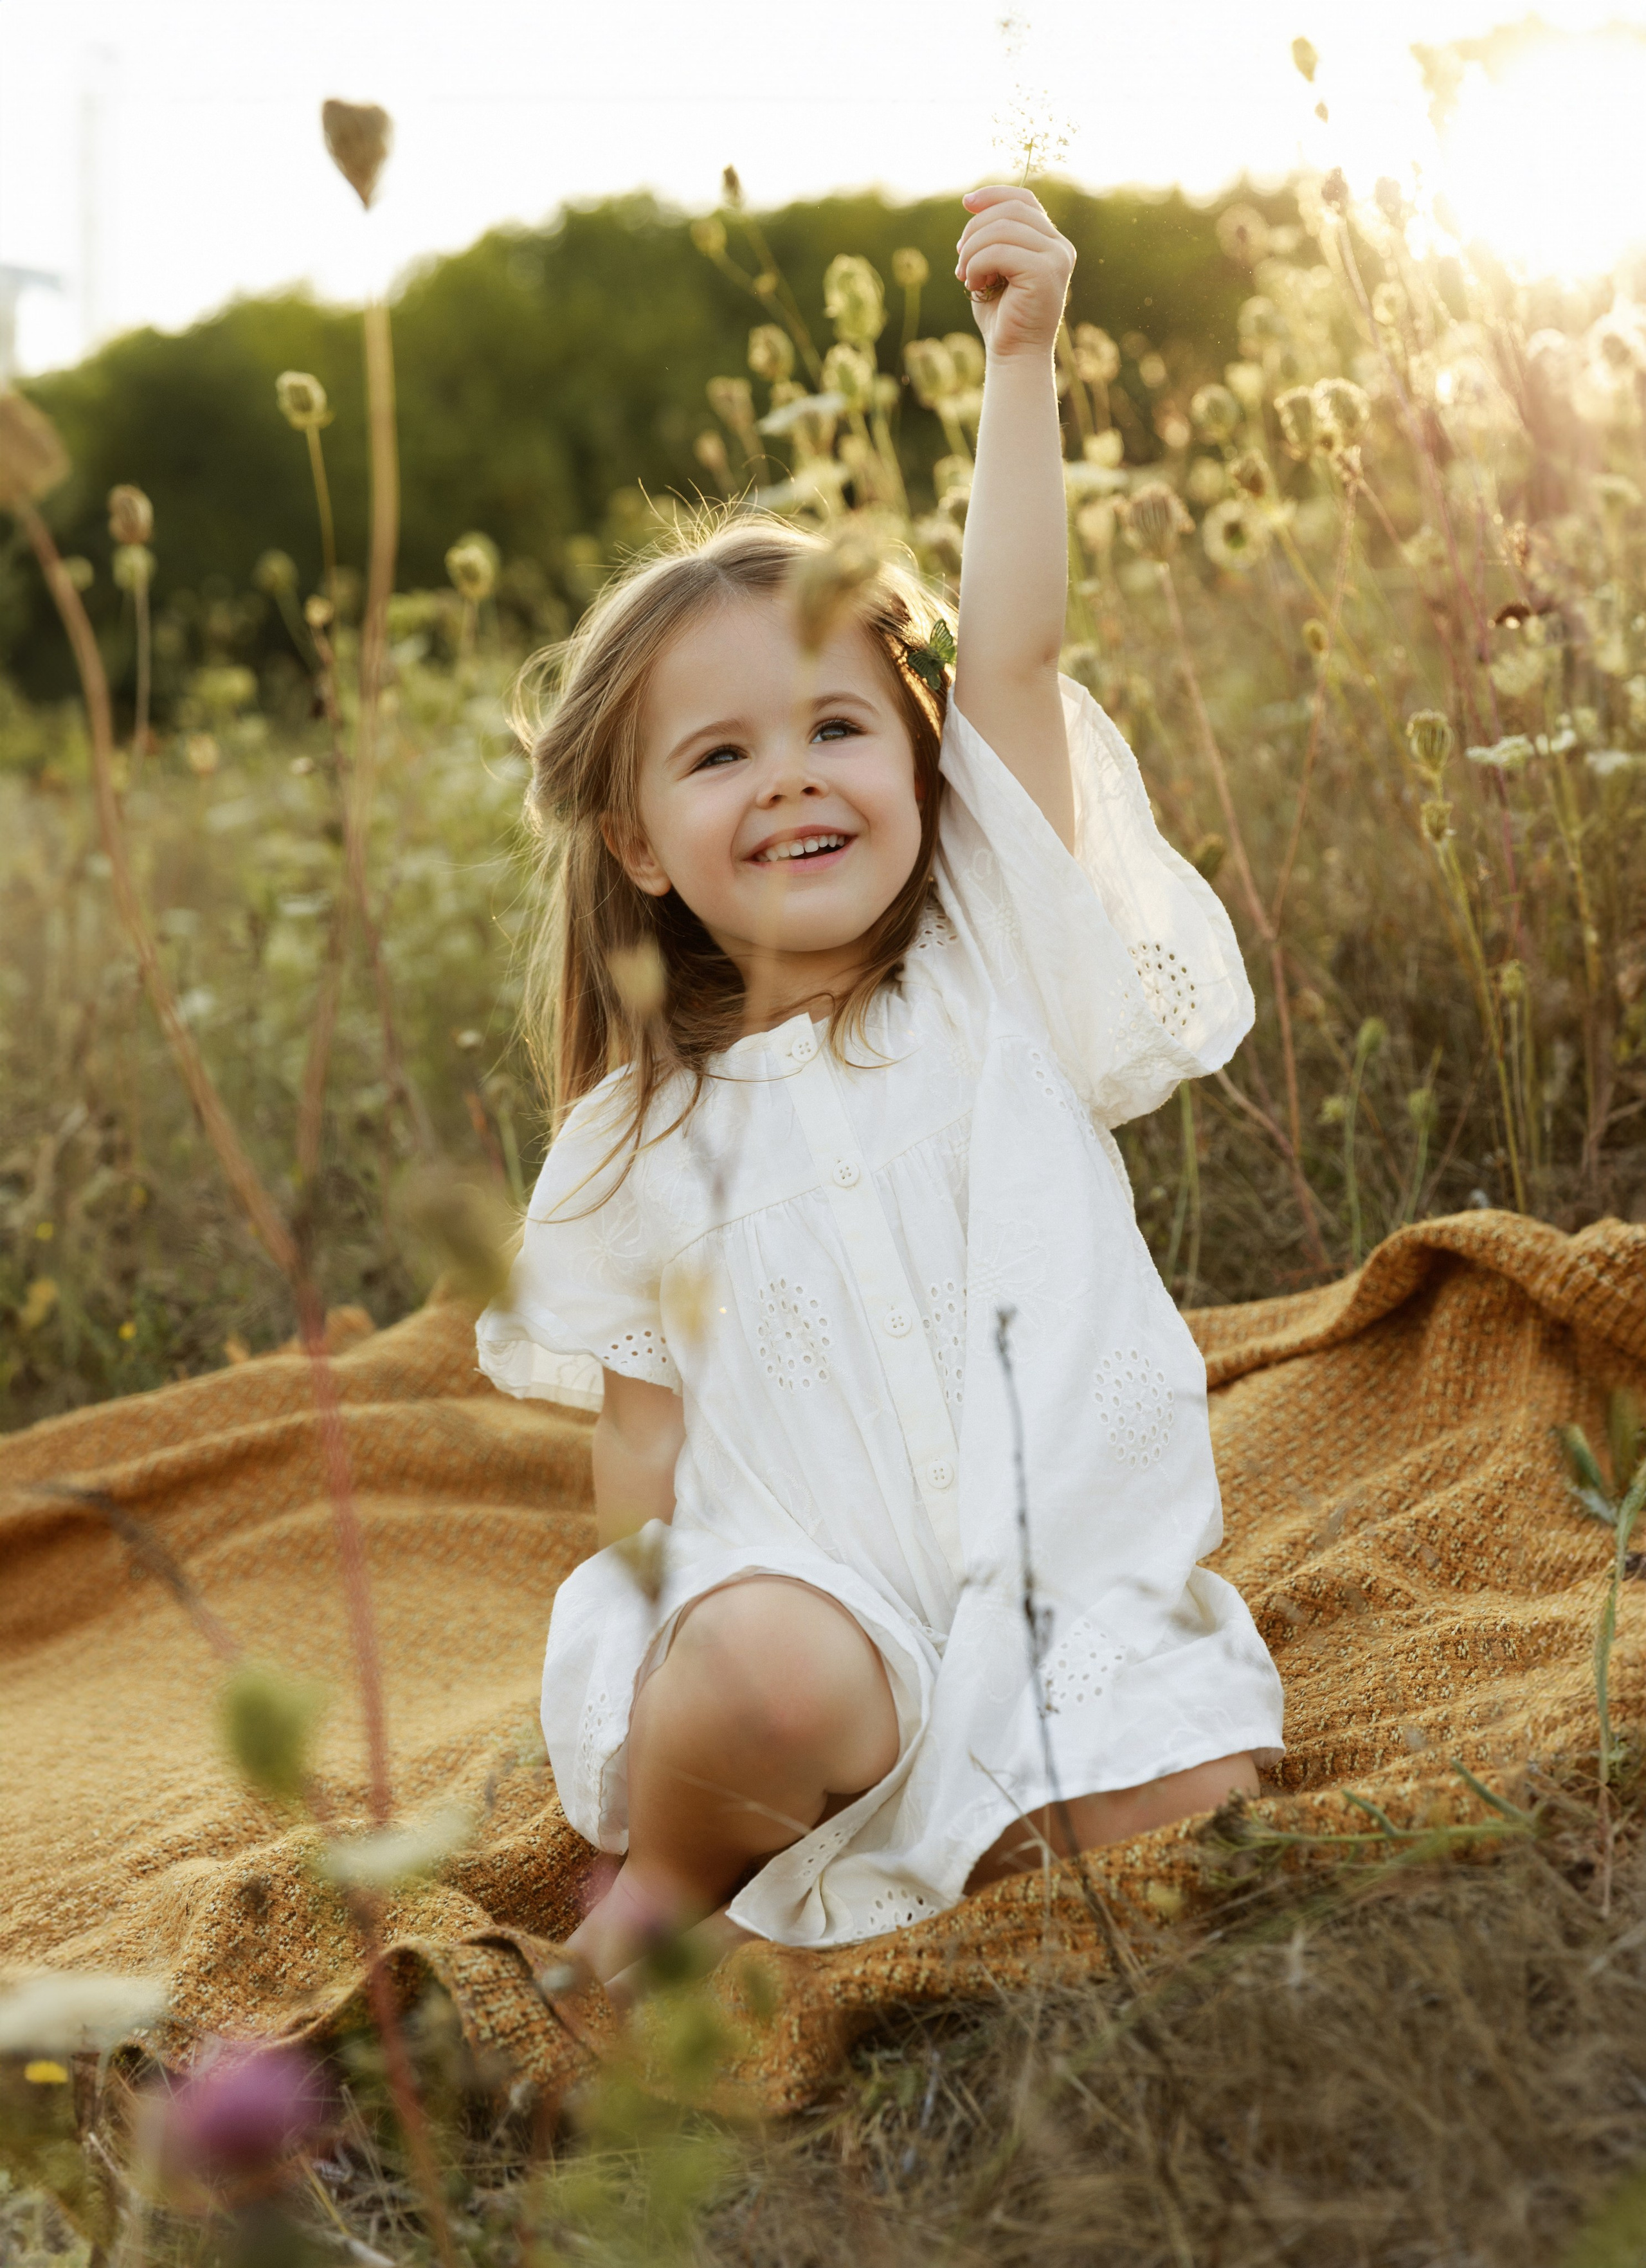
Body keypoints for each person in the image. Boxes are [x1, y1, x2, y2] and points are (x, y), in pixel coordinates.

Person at [478, 185, 1284, 1987]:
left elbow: (1013, 649)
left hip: (1062, 1596)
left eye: (838, 726)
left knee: (1190, 1828)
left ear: (916, 759)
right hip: (811, 1612)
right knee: (766, 1676)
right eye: (722, 753)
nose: (795, 776)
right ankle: (661, 1903)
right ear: (642, 842)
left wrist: (1021, 360)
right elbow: (641, 1444)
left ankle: (980, 1812)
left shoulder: (992, 964)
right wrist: (673, 1648)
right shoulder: (641, 1135)